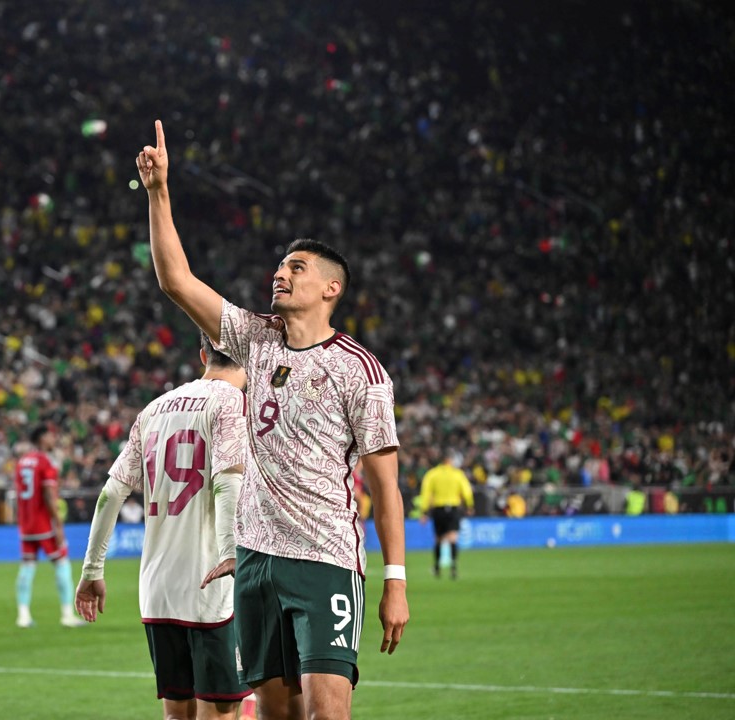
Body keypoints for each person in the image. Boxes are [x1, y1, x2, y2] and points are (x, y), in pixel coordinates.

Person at [137, 120, 409, 720]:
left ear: (331, 287)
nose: (281, 273)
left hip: (325, 559)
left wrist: (396, 580)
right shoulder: (257, 340)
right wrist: (159, 193)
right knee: (278, 715)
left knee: (326, 713)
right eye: (281, 266)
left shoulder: (359, 369)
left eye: (297, 267)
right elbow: (175, 281)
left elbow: (386, 487)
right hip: (255, 562)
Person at [75, 334, 252, 720]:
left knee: (176, 712)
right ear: (250, 356)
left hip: (156, 588)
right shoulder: (232, 403)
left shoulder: (154, 408)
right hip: (212, 585)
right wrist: (230, 553)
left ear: (203, 354)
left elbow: (111, 493)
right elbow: (228, 481)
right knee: (222, 711)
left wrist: (92, 570)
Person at [14, 424, 84, 628]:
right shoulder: (45, 462)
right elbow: (48, 494)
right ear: (42, 438)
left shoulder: (22, 462)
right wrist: (58, 523)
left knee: (27, 567)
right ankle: (67, 615)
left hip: (26, 523)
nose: (54, 439)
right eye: (50, 436)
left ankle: (23, 615)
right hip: (44, 523)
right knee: (62, 563)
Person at [418, 454, 474, 579]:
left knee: (438, 539)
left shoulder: (432, 474)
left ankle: (437, 567)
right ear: (451, 461)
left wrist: (424, 512)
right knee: (453, 538)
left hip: (439, 509)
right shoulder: (457, 474)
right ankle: (453, 566)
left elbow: (426, 493)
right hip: (453, 508)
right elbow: (466, 490)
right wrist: (469, 505)